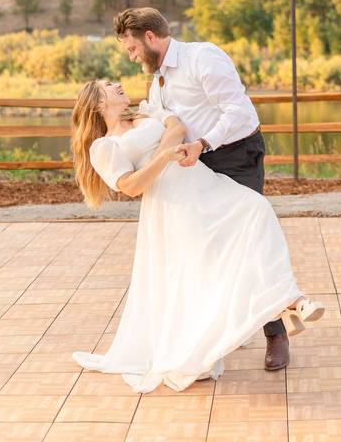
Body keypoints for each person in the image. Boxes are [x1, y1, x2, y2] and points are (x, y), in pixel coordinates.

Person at [68, 77, 323, 393]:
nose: (117, 83)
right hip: (172, 203)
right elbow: (131, 186)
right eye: (108, 85)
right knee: (196, 271)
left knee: (256, 211)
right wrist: (162, 158)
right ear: (97, 103)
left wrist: (154, 158)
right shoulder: (105, 147)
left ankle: (287, 300)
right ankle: (205, 347)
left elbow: (176, 129)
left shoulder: (147, 112)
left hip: (202, 184)